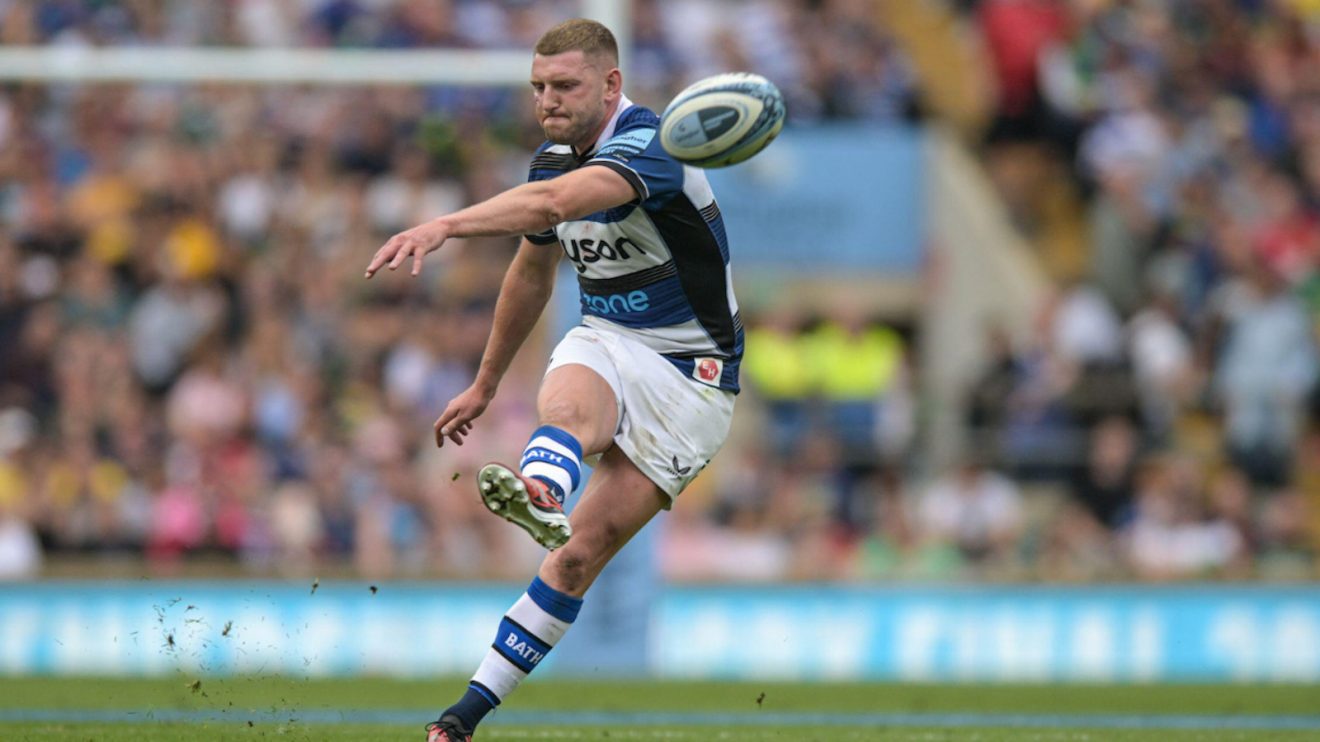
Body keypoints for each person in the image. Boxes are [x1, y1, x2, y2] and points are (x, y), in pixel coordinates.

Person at [363, 19, 743, 742]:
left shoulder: (652, 147)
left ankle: (546, 503)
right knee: (567, 404)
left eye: (564, 85)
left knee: (575, 557)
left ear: (611, 84)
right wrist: (483, 384)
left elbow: (555, 208)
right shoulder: (551, 160)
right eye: (538, 86)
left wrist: (444, 225)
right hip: (609, 340)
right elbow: (532, 269)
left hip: (693, 376)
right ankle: (458, 720)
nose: (547, 101)